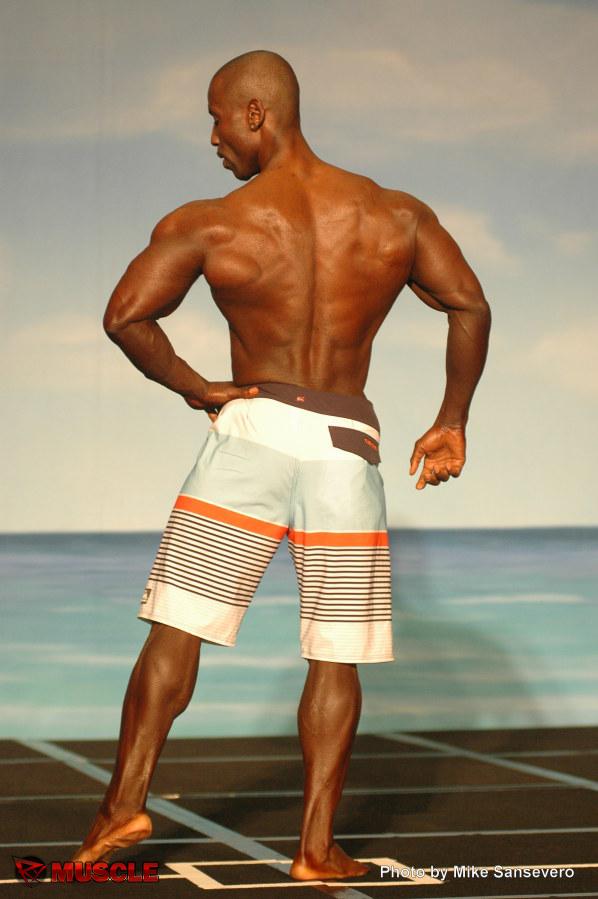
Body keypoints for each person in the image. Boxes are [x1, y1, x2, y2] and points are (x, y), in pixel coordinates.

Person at [72, 49, 491, 881]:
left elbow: (125, 316)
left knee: (179, 623)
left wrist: (197, 387)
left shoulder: (212, 222)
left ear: (256, 113)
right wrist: (451, 419)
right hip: (344, 444)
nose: (214, 138)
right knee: (334, 651)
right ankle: (313, 849)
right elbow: (468, 303)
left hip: (252, 430)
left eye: (217, 119)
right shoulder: (394, 215)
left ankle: (123, 806)